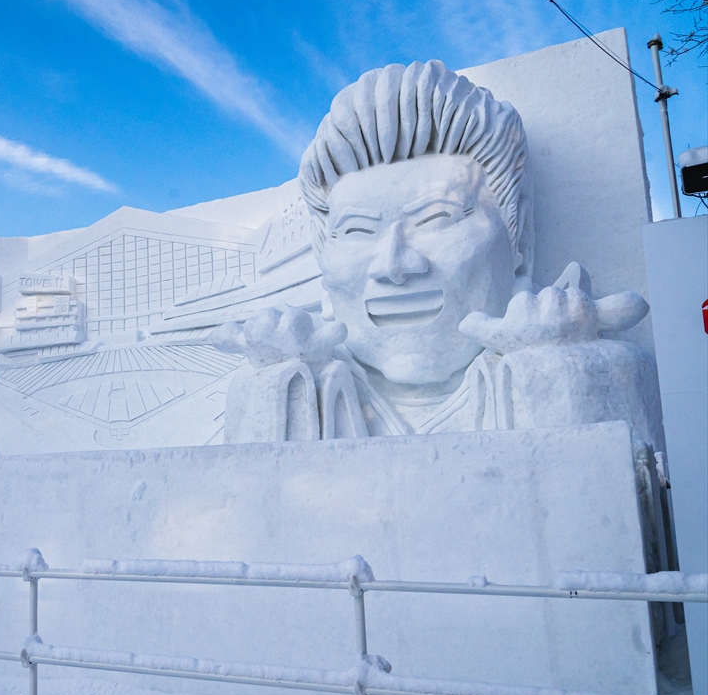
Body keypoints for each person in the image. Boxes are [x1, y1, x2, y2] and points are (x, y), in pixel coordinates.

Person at [214, 60, 662, 450]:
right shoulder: (300, 387)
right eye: (357, 230)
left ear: (517, 235)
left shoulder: (599, 365)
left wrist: (554, 368)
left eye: (436, 219)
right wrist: (277, 386)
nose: (394, 265)